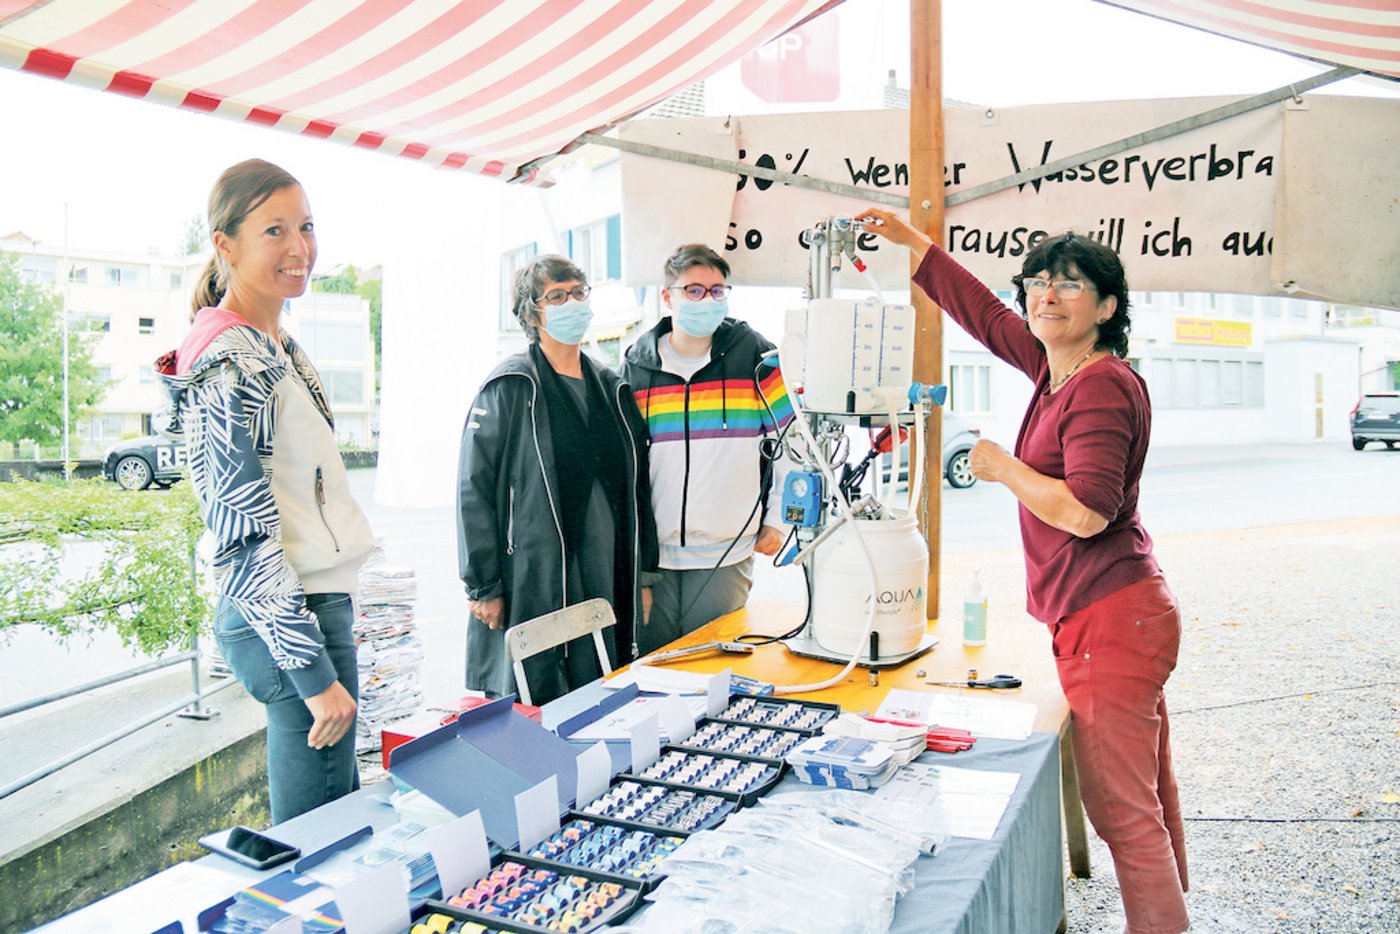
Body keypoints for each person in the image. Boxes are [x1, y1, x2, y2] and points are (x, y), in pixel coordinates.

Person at [857, 208, 1189, 934]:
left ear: (1107, 307)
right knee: (1146, 794)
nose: (1046, 296)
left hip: (1111, 617)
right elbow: (982, 313)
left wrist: (1003, 467)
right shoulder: (1054, 369)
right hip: (1111, 610)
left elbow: (1087, 514)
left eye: (1068, 285)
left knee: (1120, 811)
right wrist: (915, 244)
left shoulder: (1099, 384)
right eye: (1037, 283)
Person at [157, 159, 375, 824]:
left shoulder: (275, 344)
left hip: (314, 604)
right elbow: (240, 528)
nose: (299, 246)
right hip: (291, 617)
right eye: (274, 230)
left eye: (306, 227)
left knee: (338, 826)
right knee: (318, 843)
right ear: (224, 245)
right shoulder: (226, 359)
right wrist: (312, 672)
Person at [456, 255, 657, 705]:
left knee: (601, 684)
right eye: (557, 296)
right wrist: (483, 585)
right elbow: (474, 488)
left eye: (579, 293)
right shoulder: (511, 386)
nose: (573, 304)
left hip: (606, 563)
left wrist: (643, 574)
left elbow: (637, 487)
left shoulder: (611, 387)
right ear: (532, 314)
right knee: (535, 692)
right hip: (534, 569)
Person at [620, 244, 794, 656]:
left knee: (713, 666)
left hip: (726, 552)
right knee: (654, 667)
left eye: (717, 291)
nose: (707, 300)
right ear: (668, 297)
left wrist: (778, 521)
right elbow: (624, 464)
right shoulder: (637, 367)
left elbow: (792, 443)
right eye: (694, 290)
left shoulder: (756, 357)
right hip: (654, 559)